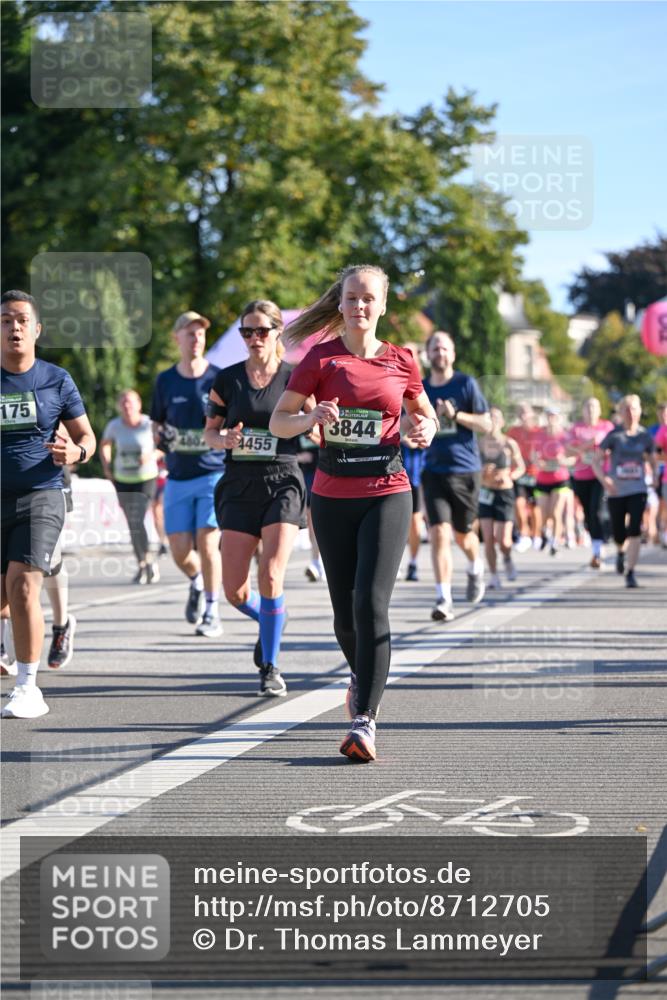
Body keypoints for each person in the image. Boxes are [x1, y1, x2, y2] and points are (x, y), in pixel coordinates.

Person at [270, 264, 438, 762]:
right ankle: (362, 673)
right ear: (339, 304)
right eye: (351, 299)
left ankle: (364, 718)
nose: (359, 307)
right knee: (344, 616)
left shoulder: (402, 360)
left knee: (371, 603)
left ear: (383, 305)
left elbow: (423, 414)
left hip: (388, 490)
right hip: (331, 496)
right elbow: (280, 422)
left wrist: (424, 429)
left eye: (369, 299)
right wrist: (310, 417)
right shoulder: (320, 359)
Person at [204, 300, 308, 696]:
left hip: (283, 479)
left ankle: (270, 666)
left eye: (261, 331)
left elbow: (311, 420)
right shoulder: (226, 379)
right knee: (234, 591)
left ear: (277, 332)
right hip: (239, 483)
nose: (253, 339)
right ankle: (272, 619)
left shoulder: (294, 379)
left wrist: (314, 427)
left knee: (270, 574)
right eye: (246, 332)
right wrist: (224, 439)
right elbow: (209, 432)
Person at [1, 290, 96, 718]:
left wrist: (76, 453)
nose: (13, 327)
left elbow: (88, 438)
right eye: (5, 320)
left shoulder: (56, 379)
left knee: (23, 584)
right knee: (5, 595)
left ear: (36, 329)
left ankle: (27, 686)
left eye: (21, 320)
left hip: (42, 493)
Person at [150, 311, 225, 636]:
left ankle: (212, 610)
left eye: (201, 334)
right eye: (190, 334)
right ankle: (196, 581)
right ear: (177, 338)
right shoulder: (165, 380)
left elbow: (232, 419)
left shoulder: (218, 378)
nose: (196, 339)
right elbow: (156, 424)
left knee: (208, 544)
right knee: (180, 550)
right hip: (178, 474)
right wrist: (160, 437)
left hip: (213, 472)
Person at [420, 331, 491, 622]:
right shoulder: (421, 388)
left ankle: (476, 566)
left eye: (445, 348)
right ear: (428, 354)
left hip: (465, 470)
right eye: (435, 348)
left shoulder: (465, 384)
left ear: (453, 354)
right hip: (433, 470)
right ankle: (443, 598)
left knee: (464, 535)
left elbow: (485, 424)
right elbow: (408, 419)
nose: (440, 353)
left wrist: (455, 414)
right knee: (439, 534)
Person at [593, 395, 656, 587]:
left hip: (638, 488)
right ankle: (621, 551)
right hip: (616, 491)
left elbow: (652, 458)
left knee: (635, 528)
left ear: (639, 411)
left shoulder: (645, 436)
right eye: (626, 409)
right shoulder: (614, 435)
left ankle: (631, 571)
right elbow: (596, 460)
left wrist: (654, 477)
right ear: (621, 412)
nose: (630, 413)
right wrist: (605, 481)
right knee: (619, 532)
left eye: (634, 409)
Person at [100, 389, 161, 584]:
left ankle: (146, 562)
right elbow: (105, 444)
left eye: (131, 402)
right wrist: (107, 466)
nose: (127, 406)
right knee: (132, 522)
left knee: (137, 518)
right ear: (119, 406)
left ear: (139, 405)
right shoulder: (115, 425)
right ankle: (143, 562)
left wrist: (151, 456)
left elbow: (163, 446)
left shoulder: (148, 424)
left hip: (146, 477)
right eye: (123, 403)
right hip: (122, 478)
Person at [478, 406, 525, 588]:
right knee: (488, 537)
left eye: (497, 418)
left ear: (502, 422)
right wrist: (481, 472)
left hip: (504, 492)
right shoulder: (479, 443)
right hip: (486, 492)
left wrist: (509, 476)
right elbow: (472, 468)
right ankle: (494, 576)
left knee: (503, 540)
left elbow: (520, 466)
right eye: (490, 417)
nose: (493, 421)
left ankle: (507, 556)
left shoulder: (509, 443)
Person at [566, 397, 615, 569]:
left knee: (597, 510)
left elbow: (614, 447)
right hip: (581, 476)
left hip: (600, 475)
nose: (591, 410)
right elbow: (567, 449)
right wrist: (588, 445)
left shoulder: (607, 427)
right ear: (583, 410)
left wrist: (600, 450)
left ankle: (598, 550)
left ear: (600, 410)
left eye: (595, 406)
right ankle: (596, 546)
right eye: (588, 407)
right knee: (588, 512)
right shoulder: (576, 429)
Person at [533, 407, 573, 556]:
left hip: (560, 479)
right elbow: (533, 455)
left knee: (556, 511)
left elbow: (574, 457)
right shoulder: (539, 435)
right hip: (543, 479)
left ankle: (555, 542)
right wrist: (538, 463)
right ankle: (545, 533)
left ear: (559, 418)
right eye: (549, 416)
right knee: (543, 513)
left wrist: (563, 461)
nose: (551, 419)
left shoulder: (565, 436)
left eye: (554, 416)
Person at [507, 402, 542, 551]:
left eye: (525, 412)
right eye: (520, 412)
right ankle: (524, 534)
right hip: (519, 472)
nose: (523, 415)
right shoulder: (513, 431)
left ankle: (537, 535)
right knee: (519, 504)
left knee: (535, 507)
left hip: (535, 473)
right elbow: (506, 447)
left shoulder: (539, 431)